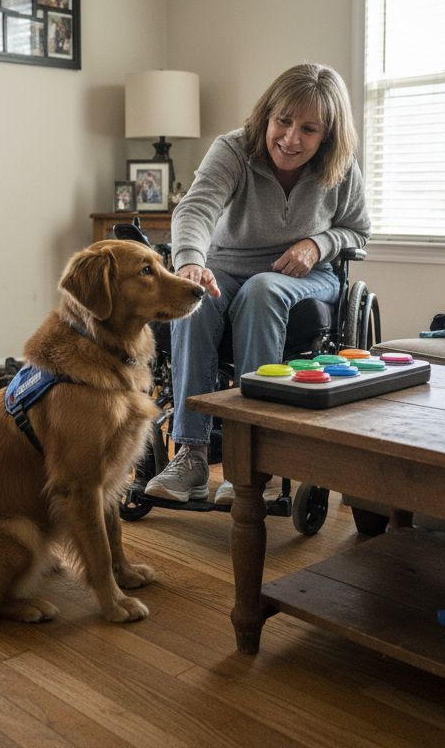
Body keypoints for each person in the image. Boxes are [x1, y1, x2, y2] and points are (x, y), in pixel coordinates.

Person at [144, 63, 370, 505]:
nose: (291, 138)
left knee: (262, 289)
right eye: (283, 121)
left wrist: (317, 244)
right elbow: (196, 209)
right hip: (227, 266)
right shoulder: (233, 149)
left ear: (327, 135)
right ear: (267, 114)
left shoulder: (341, 166)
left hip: (305, 275)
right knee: (195, 300)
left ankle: (252, 460)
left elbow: (358, 231)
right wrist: (191, 264)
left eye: (308, 129)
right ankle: (191, 454)